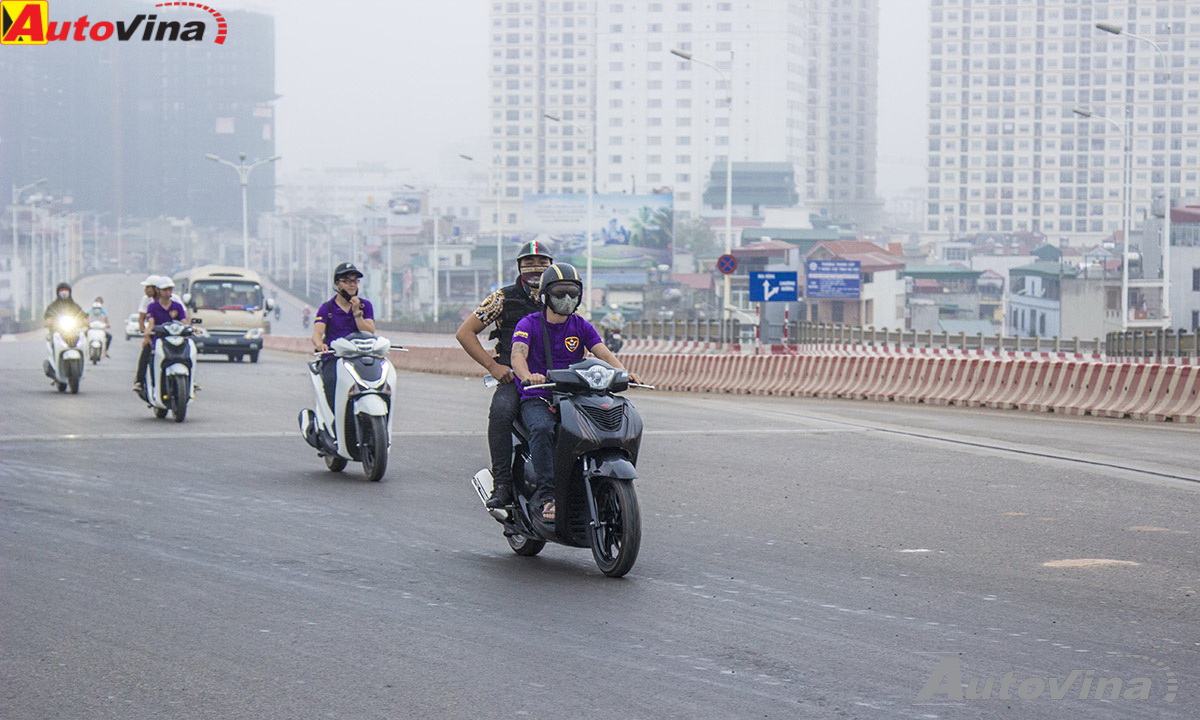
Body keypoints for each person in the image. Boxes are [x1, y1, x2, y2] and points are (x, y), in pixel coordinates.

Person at [510, 263, 639, 524]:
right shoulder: (529, 324)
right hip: (539, 396)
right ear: (546, 295)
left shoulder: (581, 326)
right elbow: (517, 355)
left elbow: (603, 353)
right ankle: (548, 496)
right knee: (543, 429)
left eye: (572, 293)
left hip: (574, 397)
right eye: (560, 293)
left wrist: (624, 372)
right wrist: (527, 376)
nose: (566, 299)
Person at [455, 239, 554, 509]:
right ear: (520, 267)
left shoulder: (561, 295)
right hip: (514, 376)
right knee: (501, 411)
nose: (536, 268)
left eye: (542, 262)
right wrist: (493, 367)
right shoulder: (502, 297)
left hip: (555, 376)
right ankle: (502, 485)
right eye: (529, 263)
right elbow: (465, 332)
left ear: (551, 266)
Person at [310, 262, 375, 411]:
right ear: (337, 284)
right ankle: (336, 416)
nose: (352, 285)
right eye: (347, 281)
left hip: (360, 355)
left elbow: (370, 331)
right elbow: (317, 333)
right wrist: (320, 344)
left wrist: (357, 312)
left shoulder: (365, 306)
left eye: (354, 281)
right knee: (332, 380)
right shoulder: (327, 308)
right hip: (336, 357)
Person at [134, 277, 188, 395]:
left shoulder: (176, 302)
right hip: (157, 335)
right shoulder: (150, 304)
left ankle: (190, 380)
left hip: (175, 335)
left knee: (187, 352)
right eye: (165, 290)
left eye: (148, 287)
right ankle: (140, 380)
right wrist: (146, 336)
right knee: (147, 351)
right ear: (159, 290)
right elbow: (145, 320)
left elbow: (184, 319)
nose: (145, 290)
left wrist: (189, 330)